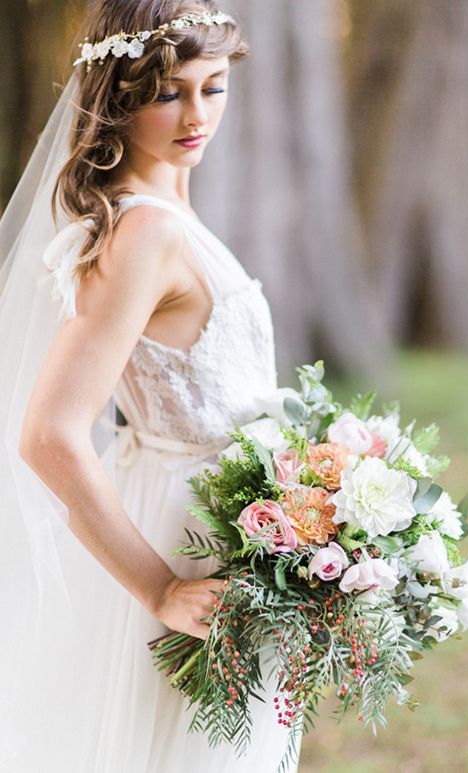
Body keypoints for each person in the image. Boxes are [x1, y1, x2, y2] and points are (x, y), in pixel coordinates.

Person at [0, 1, 300, 771]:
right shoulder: (147, 232)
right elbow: (48, 434)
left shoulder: (168, 208)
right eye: (170, 92)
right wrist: (162, 588)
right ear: (122, 95)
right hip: (182, 531)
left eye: (214, 86)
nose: (197, 113)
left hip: (227, 518)